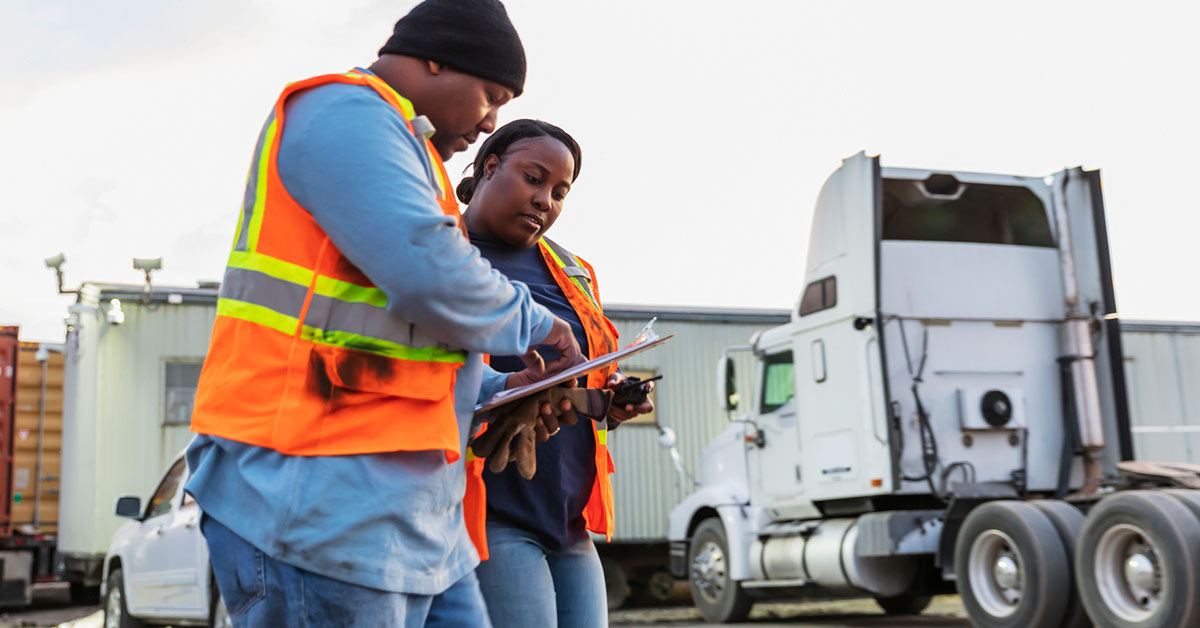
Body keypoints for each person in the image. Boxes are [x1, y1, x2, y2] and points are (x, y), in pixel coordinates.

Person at [183, 2, 582, 626]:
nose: (490, 123)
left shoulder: (415, 161)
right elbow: (433, 279)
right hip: (310, 501)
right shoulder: (345, 115)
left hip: (410, 522)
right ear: (435, 59)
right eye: (490, 96)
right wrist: (544, 326)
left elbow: (407, 344)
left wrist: (504, 388)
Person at [457, 119, 655, 628]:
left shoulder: (573, 269)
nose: (545, 200)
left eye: (560, 191)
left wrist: (609, 401)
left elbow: (576, 378)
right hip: (490, 509)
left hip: (569, 515)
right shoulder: (441, 255)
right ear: (489, 167)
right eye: (533, 178)